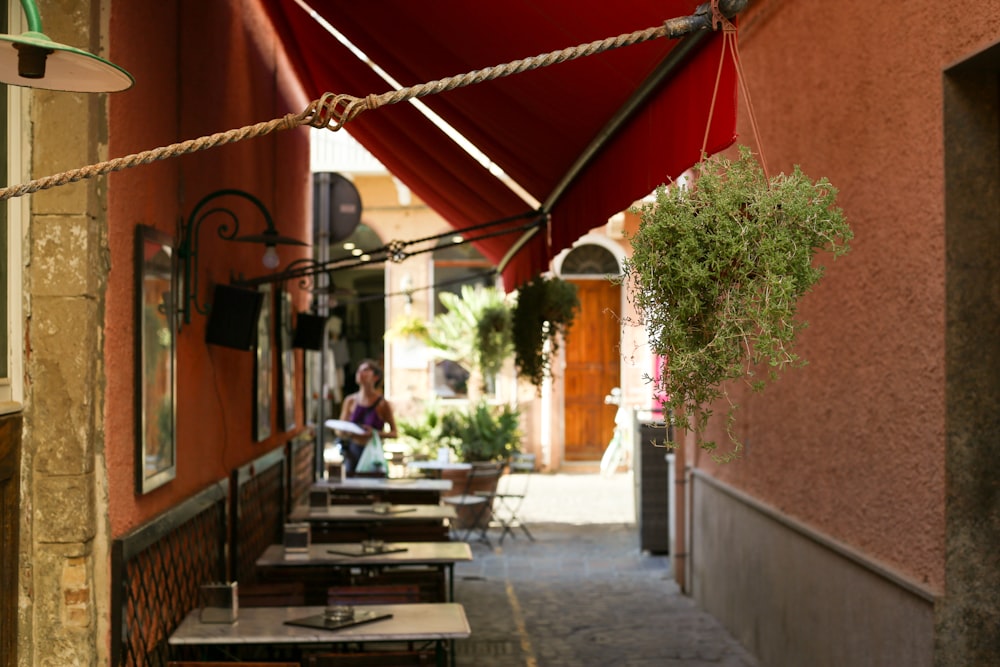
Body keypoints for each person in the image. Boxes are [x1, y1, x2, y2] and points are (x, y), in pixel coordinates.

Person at [336, 359, 397, 477]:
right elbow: (338, 430)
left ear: (375, 377)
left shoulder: (383, 404)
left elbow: (394, 433)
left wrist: (374, 433)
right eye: (359, 370)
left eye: (365, 370)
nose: (360, 373)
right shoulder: (350, 401)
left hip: (372, 453)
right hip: (352, 452)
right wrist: (347, 432)